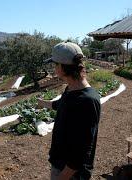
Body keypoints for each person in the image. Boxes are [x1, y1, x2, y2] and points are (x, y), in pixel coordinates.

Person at [38, 42, 101, 180]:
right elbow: (60, 105)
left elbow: (82, 150)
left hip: (71, 174)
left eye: (55, 64)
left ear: (62, 67)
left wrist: (62, 177)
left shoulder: (87, 101)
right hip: (60, 165)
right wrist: (42, 103)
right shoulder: (71, 89)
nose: (54, 68)